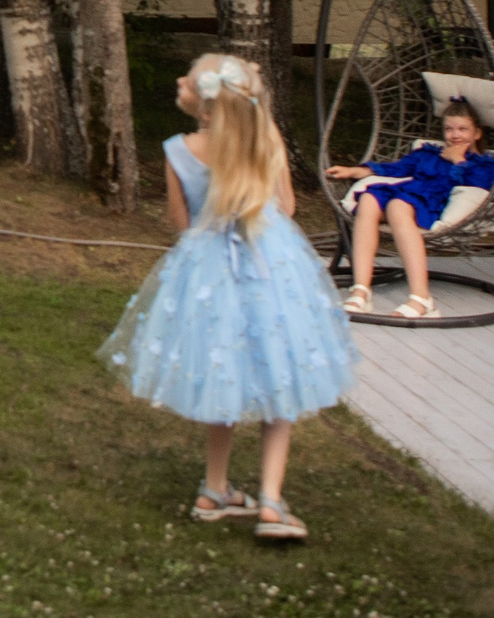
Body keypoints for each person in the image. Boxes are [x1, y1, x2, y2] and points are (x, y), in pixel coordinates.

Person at [99, 54, 358, 544]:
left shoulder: (178, 149)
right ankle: (272, 502)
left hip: (210, 273)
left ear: (204, 103)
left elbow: (181, 226)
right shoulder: (265, 138)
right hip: (270, 268)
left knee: (222, 373)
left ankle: (214, 490)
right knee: (280, 379)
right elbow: (285, 206)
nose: (180, 78)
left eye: (188, 76)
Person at [324, 98, 494, 320]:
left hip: (429, 201)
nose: (455, 135)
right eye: (449, 129)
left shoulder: (484, 164)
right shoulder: (428, 153)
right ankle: (361, 290)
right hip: (405, 192)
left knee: (398, 207)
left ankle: (421, 299)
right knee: (368, 199)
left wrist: (458, 162)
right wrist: (352, 172)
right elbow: (395, 169)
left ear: (477, 133)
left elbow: (482, 186)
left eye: (463, 129)